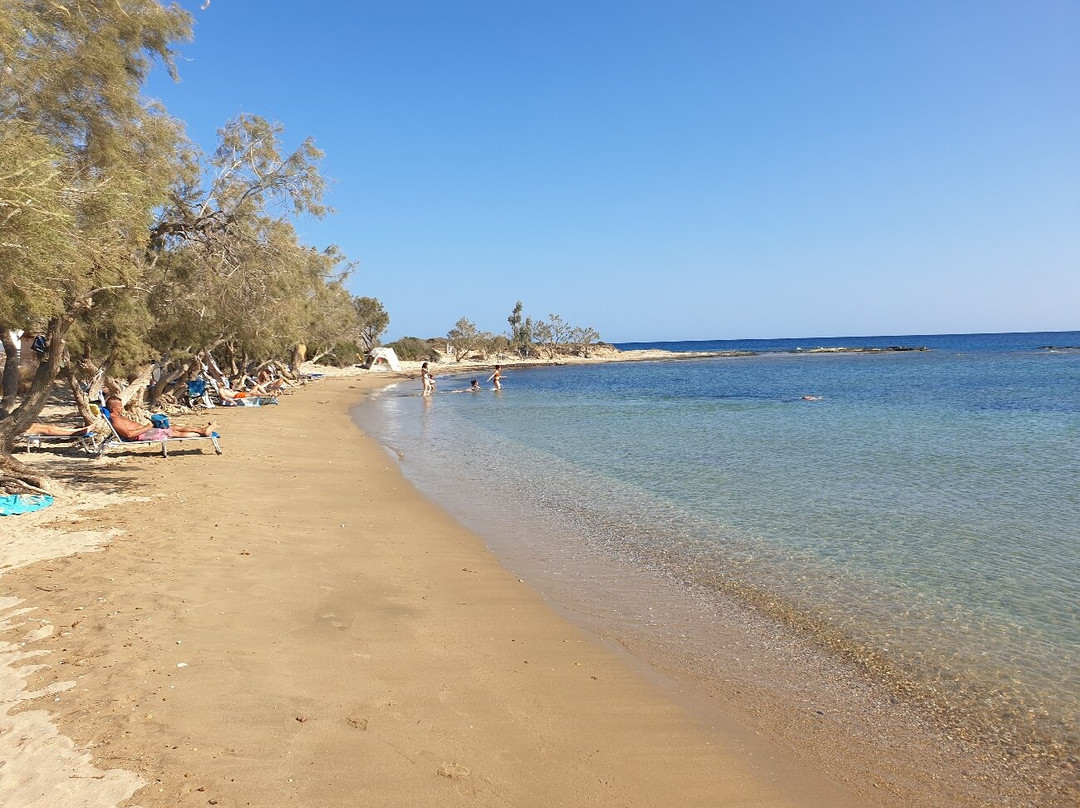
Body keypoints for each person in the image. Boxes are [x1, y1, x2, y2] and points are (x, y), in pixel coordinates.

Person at [104, 395, 217, 441]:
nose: (122, 407)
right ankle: (202, 433)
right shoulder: (115, 420)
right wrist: (147, 427)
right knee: (173, 433)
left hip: (145, 432)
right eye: (119, 406)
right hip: (143, 435)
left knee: (173, 427)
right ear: (113, 408)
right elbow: (129, 434)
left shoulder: (118, 417)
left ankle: (201, 430)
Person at [24, 423, 90, 437]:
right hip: (20, 430)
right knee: (47, 430)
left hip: (21, 426)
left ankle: (73, 430)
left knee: (50, 426)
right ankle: (75, 433)